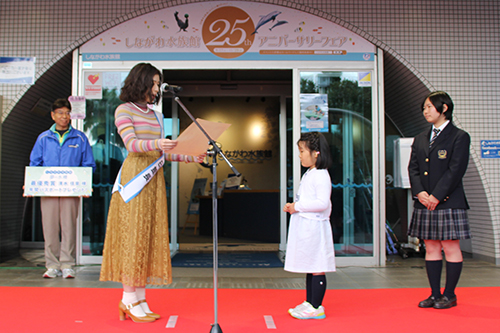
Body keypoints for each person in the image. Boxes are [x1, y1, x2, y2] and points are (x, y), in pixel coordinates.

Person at [99, 63, 203, 323]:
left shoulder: (157, 114)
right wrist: (157, 143)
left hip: (154, 180)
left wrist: (191, 156)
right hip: (134, 178)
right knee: (133, 236)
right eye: (154, 83)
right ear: (140, 82)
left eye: (159, 84)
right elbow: (132, 144)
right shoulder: (123, 110)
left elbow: (162, 152)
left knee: (148, 237)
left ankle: (140, 299)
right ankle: (127, 298)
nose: (157, 89)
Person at [408, 91, 471, 309]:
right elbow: (413, 169)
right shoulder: (420, 138)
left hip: (448, 201)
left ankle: (450, 295)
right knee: (431, 246)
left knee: (451, 246)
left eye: (429, 107)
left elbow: (456, 171)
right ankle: (434, 294)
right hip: (424, 201)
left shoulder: (459, 137)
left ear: (444, 108)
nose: (425, 111)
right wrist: (420, 193)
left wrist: (437, 196)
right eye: (423, 108)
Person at [29, 98, 96, 279]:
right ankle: (52, 265)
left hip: (71, 190)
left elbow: (89, 164)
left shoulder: (80, 138)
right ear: (53, 115)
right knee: (49, 227)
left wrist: (84, 184)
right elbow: (35, 164)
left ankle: (67, 264)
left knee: (69, 226)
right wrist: (30, 182)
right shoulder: (43, 138)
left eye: (67, 113)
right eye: (60, 113)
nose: (64, 117)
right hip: (48, 190)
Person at [283, 131, 336, 320]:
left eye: (302, 150)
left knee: (317, 266)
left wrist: (297, 207)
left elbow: (323, 203)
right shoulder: (310, 173)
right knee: (310, 265)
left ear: (316, 153)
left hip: (315, 227)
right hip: (306, 226)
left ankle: (316, 306)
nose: (300, 155)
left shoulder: (321, 175)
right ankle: (309, 301)